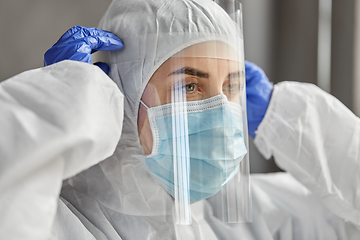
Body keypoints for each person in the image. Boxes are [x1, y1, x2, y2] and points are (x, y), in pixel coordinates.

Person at [1, 0, 360, 239]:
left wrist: (284, 115)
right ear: (121, 94)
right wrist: (68, 98)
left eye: (231, 86)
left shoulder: (246, 224)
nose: (222, 112)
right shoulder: (57, 224)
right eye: (189, 86)